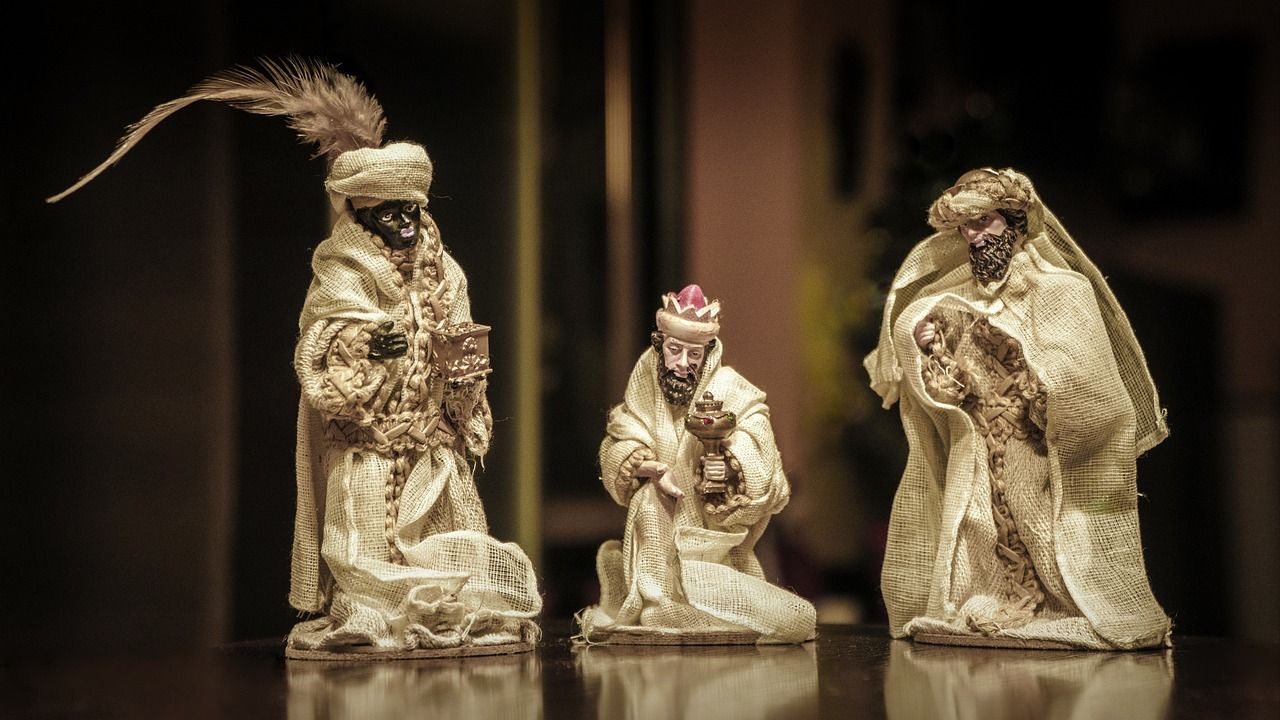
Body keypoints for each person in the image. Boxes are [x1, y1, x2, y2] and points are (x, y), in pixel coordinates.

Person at [864, 168, 1171, 649]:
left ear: (1014, 222)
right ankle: (987, 601)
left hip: (1036, 445)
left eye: (983, 222)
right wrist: (928, 347)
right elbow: (948, 388)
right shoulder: (952, 299)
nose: (974, 236)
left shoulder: (1061, 291)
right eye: (965, 228)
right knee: (976, 529)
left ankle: (1059, 606)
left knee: (1040, 527)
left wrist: (1039, 387)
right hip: (977, 446)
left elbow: (1088, 385)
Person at [288, 141, 541, 653]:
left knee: (451, 543)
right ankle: (370, 612)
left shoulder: (446, 272)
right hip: (369, 446)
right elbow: (319, 346)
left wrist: (464, 370)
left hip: (432, 445)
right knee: (362, 549)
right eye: (389, 214)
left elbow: (462, 339)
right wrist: (365, 342)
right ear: (362, 215)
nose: (404, 224)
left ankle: (443, 610)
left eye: (411, 211)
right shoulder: (341, 270)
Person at [576, 284, 816, 643]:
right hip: (658, 531)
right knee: (650, 501)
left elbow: (760, 447)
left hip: (713, 538)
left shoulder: (732, 390)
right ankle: (656, 599)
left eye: (694, 354)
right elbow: (620, 439)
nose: (683, 363)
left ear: (709, 352)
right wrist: (650, 468)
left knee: (749, 602)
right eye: (675, 350)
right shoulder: (644, 386)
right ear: (660, 345)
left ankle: (703, 598)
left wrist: (728, 464)